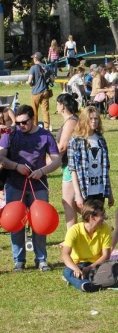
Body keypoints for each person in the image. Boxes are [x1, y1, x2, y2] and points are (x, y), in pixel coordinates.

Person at [0, 105, 62, 272]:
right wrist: (16, 166)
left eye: (24, 123)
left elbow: (56, 160)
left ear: (33, 119)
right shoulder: (11, 134)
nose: (20, 126)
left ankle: (41, 259)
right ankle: (18, 260)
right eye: (18, 123)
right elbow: (1, 157)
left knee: (40, 223)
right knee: (16, 224)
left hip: (38, 186)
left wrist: (42, 171)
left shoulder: (45, 135)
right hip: (14, 185)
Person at [67, 106, 114, 210]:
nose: (94, 121)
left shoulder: (101, 139)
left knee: (99, 219)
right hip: (85, 189)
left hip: (100, 189)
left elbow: (106, 168)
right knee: (89, 221)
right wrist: (78, 195)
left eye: (96, 118)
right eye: (91, 119)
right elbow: (73, 170)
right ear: (85, 120)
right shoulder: (75, 141)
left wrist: (110, 192)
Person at [61, 199, 111, 292]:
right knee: (67, 271)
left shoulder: (105, 229)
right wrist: (76, 269)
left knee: (109, 269)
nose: (104, 217)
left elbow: (106, 255)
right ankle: (85, 285)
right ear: (92, 217)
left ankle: (86, 281)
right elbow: (65, 255)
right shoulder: (74, 230)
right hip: (78, 264)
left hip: (96, 264)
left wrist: (89, 268)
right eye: (102, 215)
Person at [56, 93, 80, 229]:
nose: (56, 107)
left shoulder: (71, 121)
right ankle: (99, 221)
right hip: (68, 164)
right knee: (73, 203)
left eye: (57, 104)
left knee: (68, 201)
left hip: (71, 165)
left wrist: (46, 161)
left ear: (63, 106)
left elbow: (62, 147)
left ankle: (70, 237)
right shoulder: (69, 120)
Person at [28, 52, 54, 130]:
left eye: (33, 58)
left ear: (35, 58)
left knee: (34, 111)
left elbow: (29, 81)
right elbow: (53, 79)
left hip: (36, 92)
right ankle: (46, 128)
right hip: (45, 91)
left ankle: (35, 127)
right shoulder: (47, 67)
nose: (32, 59)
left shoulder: (33, 68)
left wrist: (32, 85)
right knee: (45, 111)